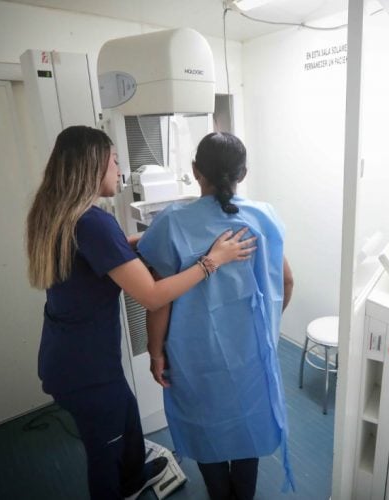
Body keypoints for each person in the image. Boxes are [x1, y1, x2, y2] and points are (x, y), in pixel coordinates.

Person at [25, 125, 255, 500]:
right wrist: (212, 260)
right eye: (115, 161)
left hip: (66, 353)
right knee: (105, 452)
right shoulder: (93, 222)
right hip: (85, 369)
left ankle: (134, 479)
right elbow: (151, 296)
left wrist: (161, 237)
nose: (120, 170)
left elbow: (112, 252)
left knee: (128, 418)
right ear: (93, 165)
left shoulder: (59, 213)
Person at [138, 132, 295, 500]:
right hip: (251, 352)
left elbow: (159, 301)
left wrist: (155, 352)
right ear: (243, 173)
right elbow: (286, 281)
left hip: (193, 354)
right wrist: (267, 326)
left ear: (196, 171)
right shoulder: (263, 217)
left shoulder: (172, 222)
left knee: (204, 425)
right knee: (247, 422)